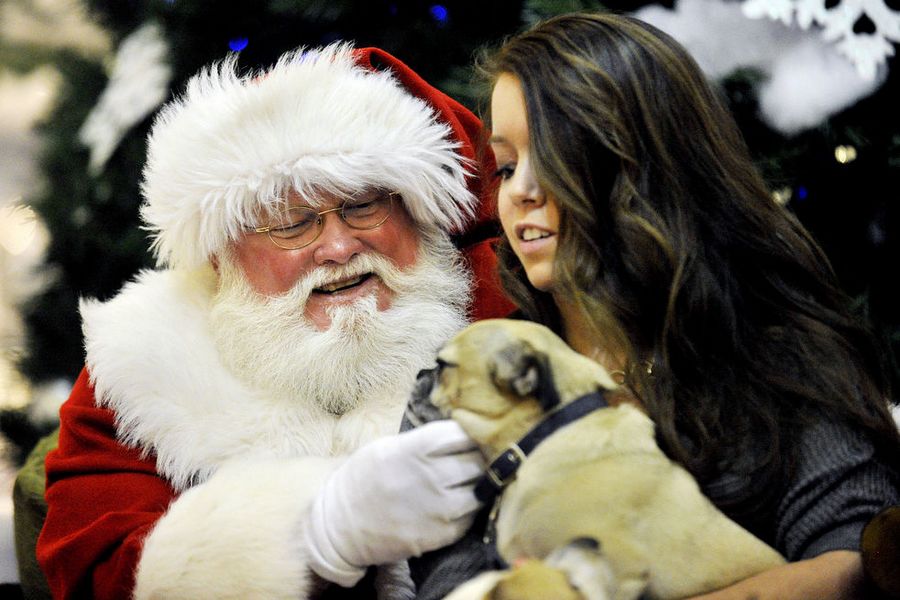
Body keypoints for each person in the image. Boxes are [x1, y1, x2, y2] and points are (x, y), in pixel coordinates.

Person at [35, 42, 514, 599]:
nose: (337, 247)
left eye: (364, 206)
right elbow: (97, 567)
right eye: (291, 224)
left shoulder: (509, 307)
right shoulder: (147, 363)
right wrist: (314, 534)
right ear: (223, 255)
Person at [480, 11, 900, 599]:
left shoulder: (778, 364)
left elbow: (858, 561)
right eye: (505, 165)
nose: (520, 190)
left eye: (553, 155)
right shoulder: (476, 373)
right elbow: (441, 576)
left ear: (642, 167)